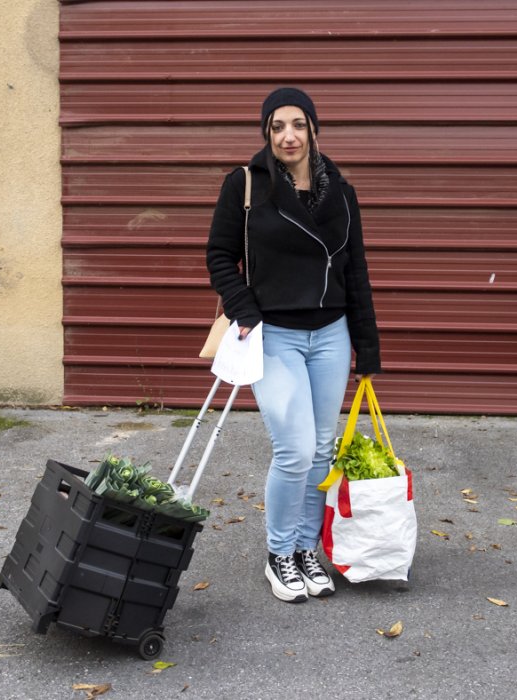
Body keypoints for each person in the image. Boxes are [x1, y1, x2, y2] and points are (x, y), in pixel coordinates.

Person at [206, 87, 381, 602]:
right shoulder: (244, 185)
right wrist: (245, 309)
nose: (288, 135)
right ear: (266, 132)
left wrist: (366, 348)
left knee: (322, 452)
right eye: (278, 125)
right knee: (295, 450)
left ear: (313, 130)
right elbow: (219, 255)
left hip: (331, 333)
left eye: (298, 124)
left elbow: (357, 271)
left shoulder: (340, 192)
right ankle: (279, 553)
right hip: (274, 334)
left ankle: (308, 549)